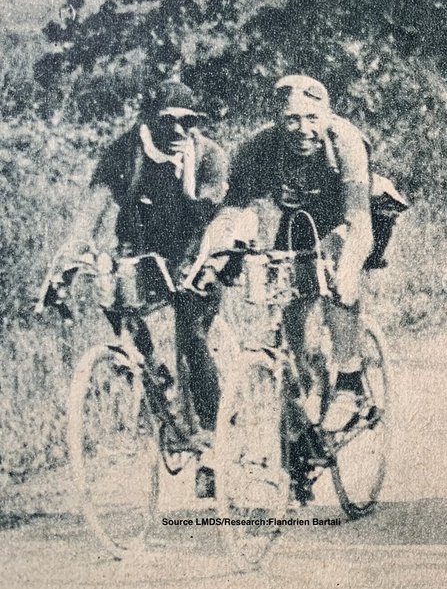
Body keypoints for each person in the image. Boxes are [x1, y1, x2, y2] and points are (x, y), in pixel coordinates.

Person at [48, 80, 228, 499]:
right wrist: (67, 266)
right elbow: (89, 216)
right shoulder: (125, 152)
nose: (180, 130)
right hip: (142, 251)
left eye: (189, 122)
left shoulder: (209, 157)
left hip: (194, 254)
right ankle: (154, 374)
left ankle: (211, 442)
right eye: (170, 121)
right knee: (111, 288)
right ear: (150, 120)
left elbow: (210, 218)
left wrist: (186, 185)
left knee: (191, 335)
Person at [195, 76, 376, 438]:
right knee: (297, 339)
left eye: (312, 118)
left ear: (326, 115)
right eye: (292, 119)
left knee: (341, 264)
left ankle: (350, 380)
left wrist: (349, 271)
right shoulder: (258, 147)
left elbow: (360, 223)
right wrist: (210, 260)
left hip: (343, 220)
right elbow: (230, 213)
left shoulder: (345, 142)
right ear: (277, 119)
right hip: (294, 225)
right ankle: (305, 417)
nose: (303, 129)